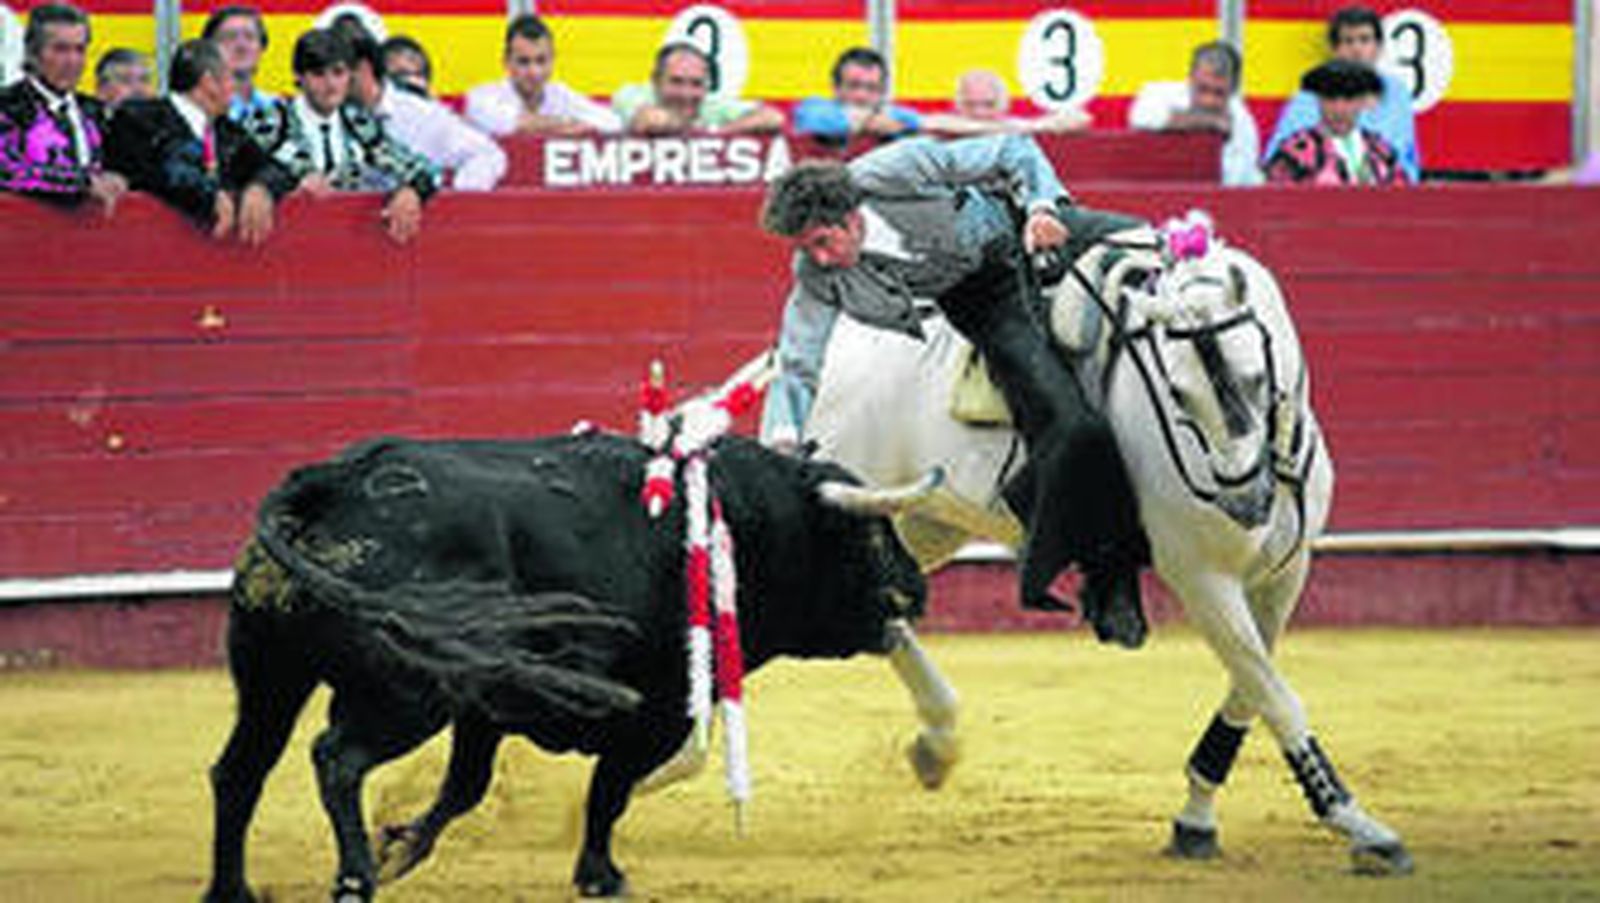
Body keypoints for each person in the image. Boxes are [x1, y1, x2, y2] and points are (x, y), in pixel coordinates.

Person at [758, 135, 1149, 647]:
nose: (820, 259)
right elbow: (798, 359)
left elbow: (1013, 149)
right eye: (807, 248)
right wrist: (784, 441)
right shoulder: (815, 271)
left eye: (821, 241)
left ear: (852, 216)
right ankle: (1108, 580)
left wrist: (1040, 206)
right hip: (985, 293)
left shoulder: (893, 170)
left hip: (1025, 228)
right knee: (1064, 417)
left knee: (1151, 244)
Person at [241, 28, 435, 243]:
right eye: (318, 74)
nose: (330, 85)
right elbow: (234, 165)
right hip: (280, 245)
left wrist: (412, 191)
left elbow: (422, 168)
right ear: (298, 76)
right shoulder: (271, 120)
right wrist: (263, 185)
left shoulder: (358, 124)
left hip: (345, 245)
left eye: (338, 72)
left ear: (350, 75)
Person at [105, 38, 293, 244]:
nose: (236, 88)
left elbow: (275, 168)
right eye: (233, 78)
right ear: (209, 82)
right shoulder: (139, 118)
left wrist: (260, 187)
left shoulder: (226, 130)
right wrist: (208, 196)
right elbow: (163, 170)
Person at [1262, 5, 1419, 181]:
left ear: (1379, 47)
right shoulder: (1308, 96)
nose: (1357, 50)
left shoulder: (1398, 94)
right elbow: (1276, 165)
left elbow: (1409, 163)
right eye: (1348, 41)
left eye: (1364, 40)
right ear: (1334, 50)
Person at [341, 24, 504, 191]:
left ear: (365, 68)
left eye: (339, 71)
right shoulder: (325, 114)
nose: (331, 82)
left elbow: (487, 155)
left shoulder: (421, 114)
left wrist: (454, 202)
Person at [0, 3, 125, 211]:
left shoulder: (95, 111)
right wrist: (82, 183)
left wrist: (121, 179)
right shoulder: (9, 107)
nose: (72, 61)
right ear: (33, 53)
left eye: (80, 50)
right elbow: (6, 171)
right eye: (60, 49)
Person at [1128, 41, 1262, 186]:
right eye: (1202, 89)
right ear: (1190, 79)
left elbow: (1235, 181)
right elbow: (1141, 116)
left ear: (1234, 89)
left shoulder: (1242, 122)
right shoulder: (1159, 93)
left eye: (1219, 93)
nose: (1208, 101)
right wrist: (1209, 122)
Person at [464, 13, 620, 136]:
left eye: (541, 61)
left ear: (552, 60)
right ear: (506, 62)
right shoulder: (482, 97)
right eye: (524, 62)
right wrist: (561, 125)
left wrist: (583, 125)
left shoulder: (560, 94)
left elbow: (613, 122)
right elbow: (507, 123)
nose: (534, 72)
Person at [1263, 60, 1408, 185]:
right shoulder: (1295, 151)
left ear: (1362, 102)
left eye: (1349, 98)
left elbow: (1401, 199)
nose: (1339, 109)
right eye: (1330, 98)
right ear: (1319, 101)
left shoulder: (1381, 151)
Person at [612, 42, 784, 135]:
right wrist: (701, 135)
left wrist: (717, 133)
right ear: (655, 81)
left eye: (696, 84)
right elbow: (651, 121)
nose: (687, 94)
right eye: (676, 82)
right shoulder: (631, 94)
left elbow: (772, 118)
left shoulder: (711, 102)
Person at [792, 47, 918, 145]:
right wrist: (864, 122)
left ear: (882, 92)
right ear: (836, 87)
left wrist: (900, 129)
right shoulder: (813, 108)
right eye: (853, 86)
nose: (861, 96)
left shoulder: (892, 114)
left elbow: (926, 125)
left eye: (871, 88)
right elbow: (811, 121)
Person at [921, 69, 1090, 135]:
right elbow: (930, 123)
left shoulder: (1016, 124)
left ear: (1003, 104)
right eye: (970, 104)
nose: (979, 112)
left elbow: (1082, 119)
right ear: (957, 104)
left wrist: (1031, 125)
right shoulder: (946, 124)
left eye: (988, 104)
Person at [202, 5, 274, 123]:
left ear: (261, 48)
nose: (241, 46)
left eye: (249, 37)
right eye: (230, 37)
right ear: (209, 49)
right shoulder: (199, 110)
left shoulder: (276, 110)